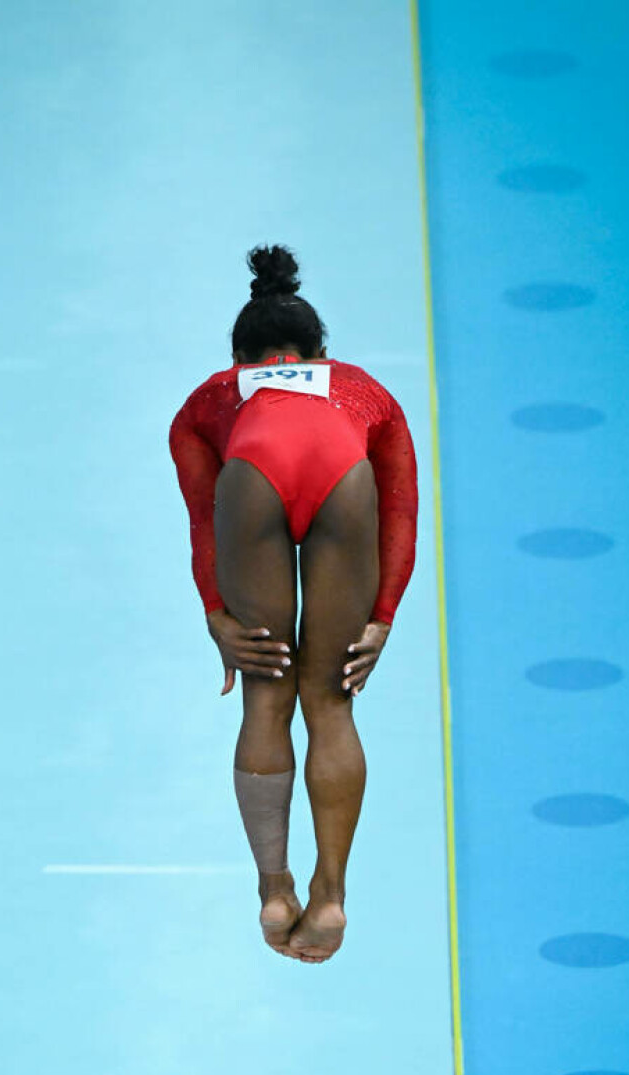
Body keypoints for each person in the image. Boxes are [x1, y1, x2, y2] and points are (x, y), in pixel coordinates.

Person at [169, 245, 419, 964]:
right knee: (331, 705)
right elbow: (400, 508)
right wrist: (383, 617)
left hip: (251, 481)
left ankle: (274, 890)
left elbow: (202, 515)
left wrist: (218, 613)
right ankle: (331, 896)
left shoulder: (212, 398)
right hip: (345, 481)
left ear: (239, 357)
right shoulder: (365, 391)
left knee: (266, 696)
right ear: (321, 352)